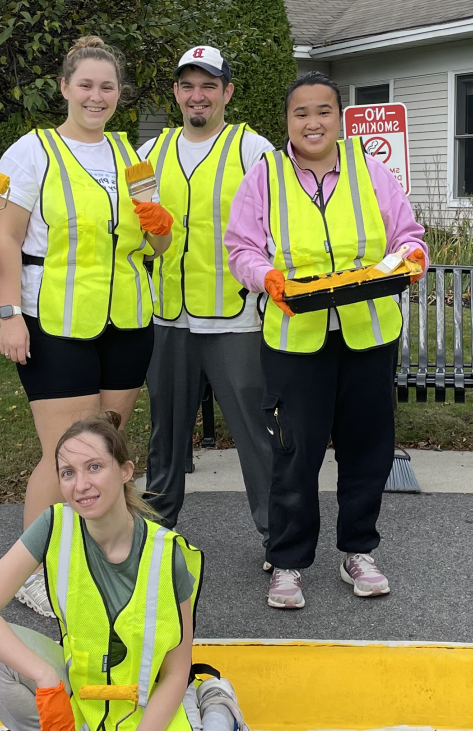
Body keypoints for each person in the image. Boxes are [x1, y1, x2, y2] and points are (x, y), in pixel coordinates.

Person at [0, 412, 258, 731]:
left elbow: (176, 674)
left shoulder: (168, 557)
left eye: (94, 467)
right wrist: (46, 676)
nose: (80, 484)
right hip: (85, 699)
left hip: (148, 707)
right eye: (68, 473)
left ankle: (217, 707)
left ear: (126, 470)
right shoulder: (54, 525)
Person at [224, 72, 428, 610]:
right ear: (286, 122)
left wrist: (413, 258)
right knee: (295, 452)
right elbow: (241, 247)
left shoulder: (371, 169)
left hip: (369, 333)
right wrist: (265, 277)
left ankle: (358, 550)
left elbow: (407, 235)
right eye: (300, 113)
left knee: (368, 449)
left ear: (339, 117)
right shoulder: (264, 175)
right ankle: (288, 560)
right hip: (295, 337)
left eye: (323, 111)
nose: (312, 122)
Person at [0, 36, 175, 618]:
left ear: (119, 94)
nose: (97, 96)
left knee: (104, 452)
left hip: (126, 320)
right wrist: (9, 313)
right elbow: (7, 238)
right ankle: (32, 573)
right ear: (65, 88)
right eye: (86, 85)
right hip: (55, 323)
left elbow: (158, 242)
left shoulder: (133, 157)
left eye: (108, 87)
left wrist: (160, 225)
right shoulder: (31, 152)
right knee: (64, 456)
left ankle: (97, 560)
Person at [138, 46, 278, 538]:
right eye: (188, 85)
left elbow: (276, 229)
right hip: (167, 318)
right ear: (176, 92)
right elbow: (135, 235)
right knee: (165, 437)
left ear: (227, 93)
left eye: (209, 86)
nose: (198, 96)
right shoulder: (149, 154)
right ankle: (157, 532)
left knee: (256, 434)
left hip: (236, 319)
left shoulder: (253, 149)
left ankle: (277, 536)